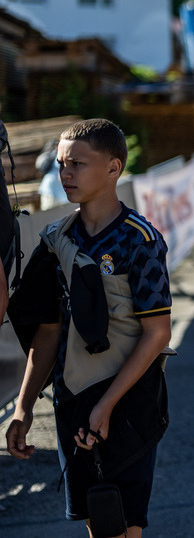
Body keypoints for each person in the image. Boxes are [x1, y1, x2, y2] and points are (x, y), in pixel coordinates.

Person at [5, 118, 173, 537]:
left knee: (122, 523)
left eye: (77, 164)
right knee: (97, 521)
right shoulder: (54, 240)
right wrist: (24, 408)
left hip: (129, 402)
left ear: (114, 169)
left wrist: (108, 404)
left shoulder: (141, 240)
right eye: (62, 164)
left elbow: (158, 334)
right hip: (72, 401)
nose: (65, 174)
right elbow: (48, 330)